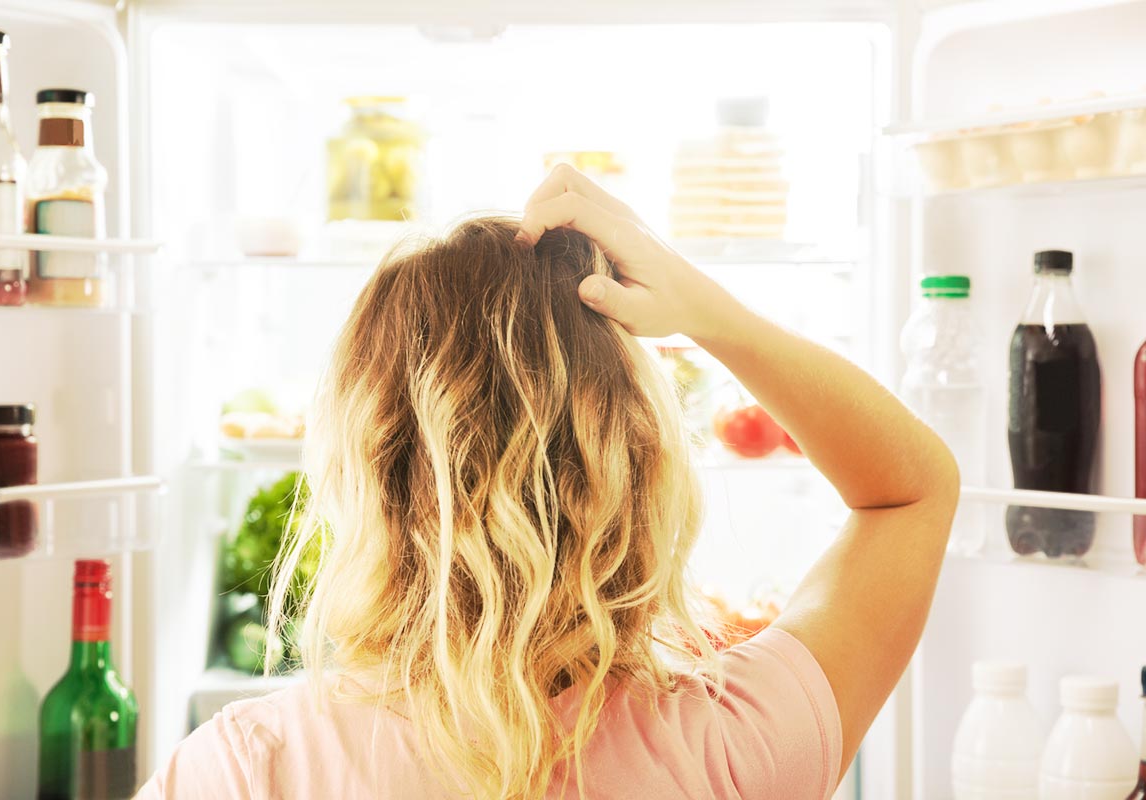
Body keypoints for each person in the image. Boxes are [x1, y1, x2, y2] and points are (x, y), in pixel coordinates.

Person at [138, 166, 958, 800]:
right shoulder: (735, 742)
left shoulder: (247, 769)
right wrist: (703, 308)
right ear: (636, 461)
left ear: (363, 470)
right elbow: (913, 490)